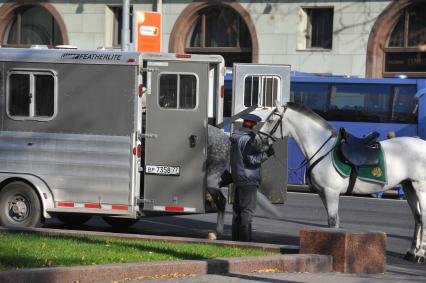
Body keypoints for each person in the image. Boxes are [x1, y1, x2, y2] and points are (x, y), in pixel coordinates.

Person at [230, 113, 274, 241]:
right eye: (255, 124)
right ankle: (245, 242)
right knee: (247, 211)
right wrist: (267, 154)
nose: (255, 126)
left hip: (238, 178)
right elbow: (251, 159)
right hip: (249, 179)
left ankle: (235, 240)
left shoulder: (236, 136)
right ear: (253, 124)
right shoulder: (249, 138)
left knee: (237, 211)